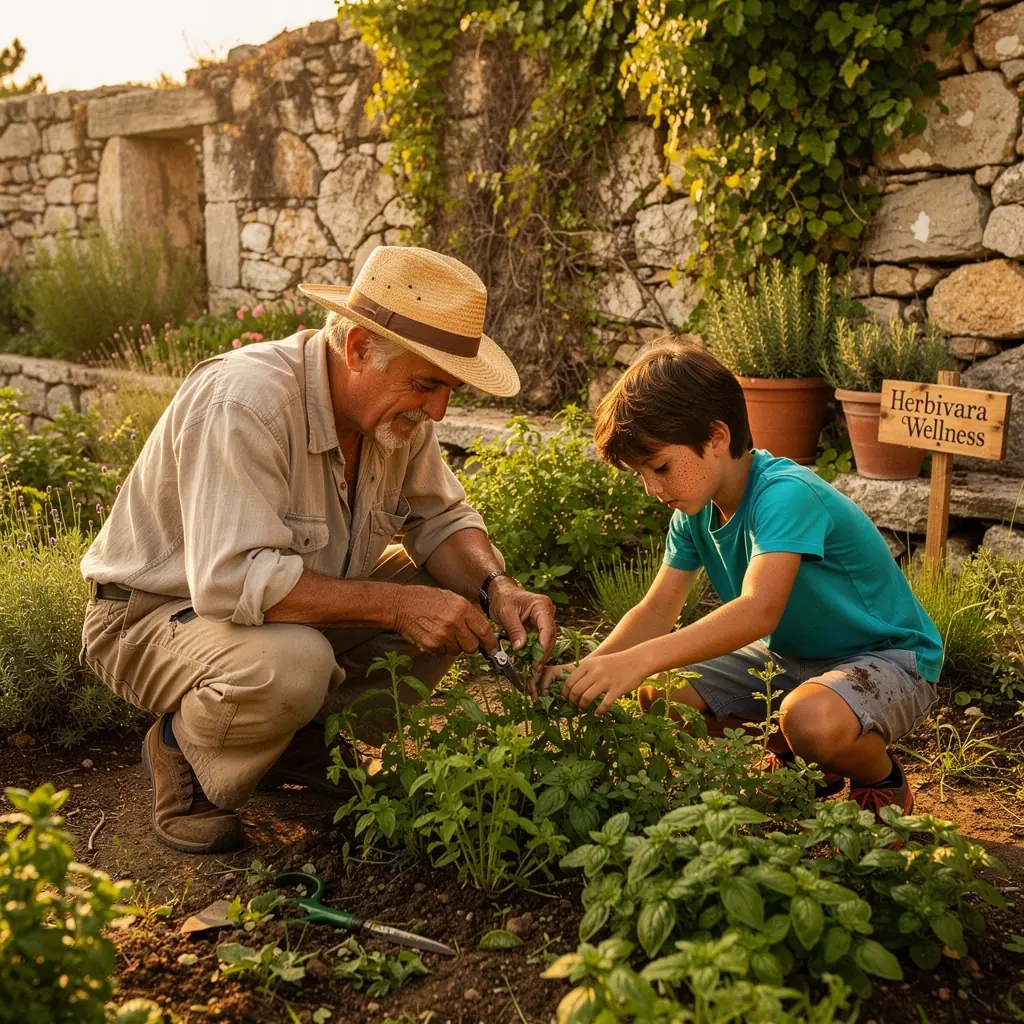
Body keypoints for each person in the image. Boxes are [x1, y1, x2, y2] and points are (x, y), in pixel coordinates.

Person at [81, 246, 556, 854]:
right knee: (295, 664)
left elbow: (443, 518)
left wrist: (498, 588)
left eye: (450, 390)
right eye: (428, 385)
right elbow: (231, 581)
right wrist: (395, 607)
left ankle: (294, 742)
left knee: (452, 595)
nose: (438, 409)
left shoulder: (393, 416)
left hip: (274, 611)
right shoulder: (245, 401)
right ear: (358, 348)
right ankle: (183, 753)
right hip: (150, 616)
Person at [540, 342, 941, 819]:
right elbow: (656, 609)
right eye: (642, 475)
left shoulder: (785, 495)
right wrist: (591, 668)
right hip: (790, 658)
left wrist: (639, 659)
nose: (652, 488)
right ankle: (804, 756)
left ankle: (879, 778)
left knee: (809, 719)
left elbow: (758, 609)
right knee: (662, 692)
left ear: (715, 438)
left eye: (660, 467)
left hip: (889, 657)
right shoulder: (695, 510)